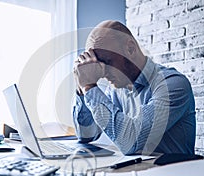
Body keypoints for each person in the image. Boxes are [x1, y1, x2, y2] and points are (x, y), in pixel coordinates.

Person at [73, 20, 196, 155]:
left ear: (130, 49)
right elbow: (86, 135)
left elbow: (131, 142)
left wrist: (89, 86)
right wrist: (82, 89)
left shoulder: (173, 84)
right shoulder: (115, 90)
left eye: (107, 62)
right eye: (97, 65)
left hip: (173, 173)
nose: (102, 73)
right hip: (136, 172)